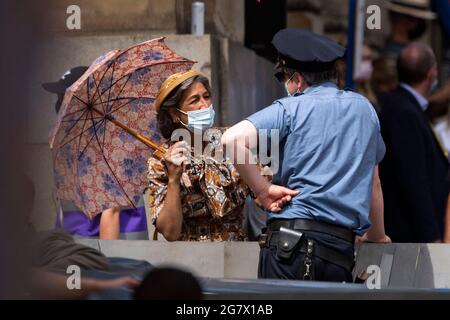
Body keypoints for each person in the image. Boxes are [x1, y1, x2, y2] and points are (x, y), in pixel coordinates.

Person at [222, 28, 390, 282]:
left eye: (283, 78)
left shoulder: (290, 108)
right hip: (339, 252)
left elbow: (231, 140)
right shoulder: (365, 110)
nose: (284, 85)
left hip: (288, 248)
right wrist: (377, 236)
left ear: (298, 80)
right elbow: (373, 181)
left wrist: (263, 190)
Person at [43, 67, 148, 240]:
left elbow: (111, 211)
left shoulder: (106, 146)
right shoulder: (78, 143)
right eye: (60, 99)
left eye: (65, 98)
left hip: (110, 257)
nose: (60, 105)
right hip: (78, 252)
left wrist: (104, 265)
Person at [147, 69, 251, 241]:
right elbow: (170, 233)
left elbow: (262, 198)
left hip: (236, 253)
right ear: (174, 114)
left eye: (206, 96)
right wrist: (174, 178)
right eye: (194, 100)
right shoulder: (161, 160)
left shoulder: (231, 140)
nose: (205, 105)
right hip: (190, 258)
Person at [379, 42, 450, 243]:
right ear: (431, 74)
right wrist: (432, 236)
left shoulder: (407, 106)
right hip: (409, 236)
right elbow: (414, 179)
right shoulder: (404, 112)